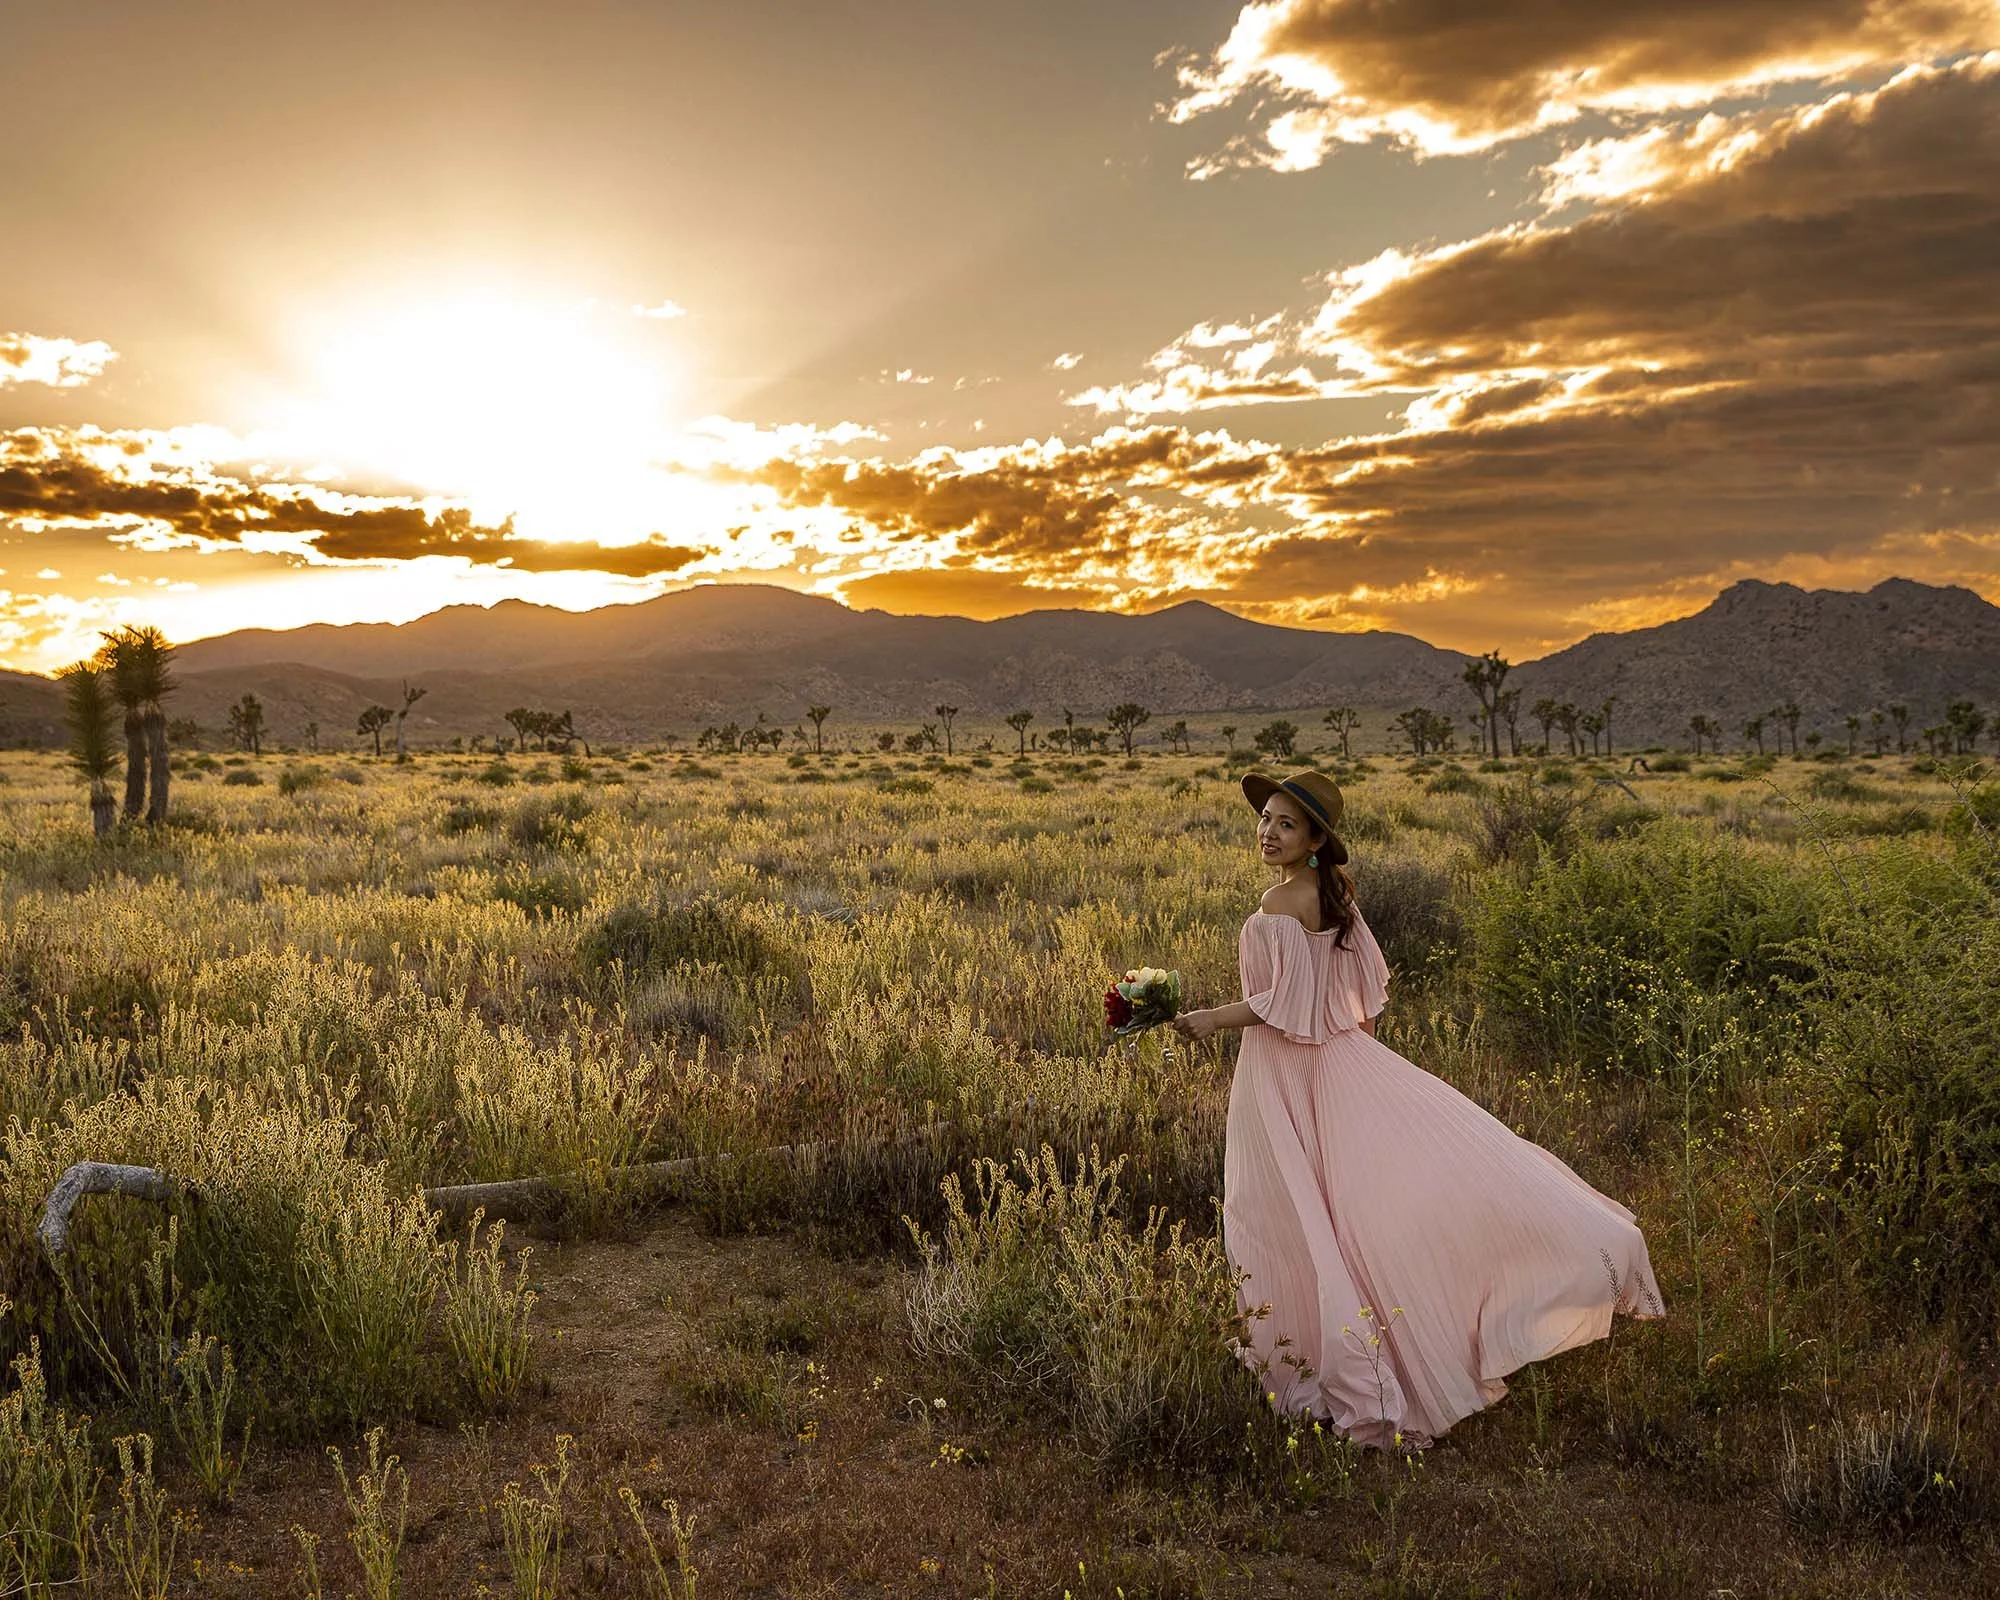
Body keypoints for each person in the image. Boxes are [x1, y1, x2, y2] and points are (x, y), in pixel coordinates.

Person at [1171, 768, 1662, 1446]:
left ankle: (1312, 1359)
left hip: (1285, 1071)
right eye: (1265, 820)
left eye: (1286, 823)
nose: (1268, 832)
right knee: (1352, 1204)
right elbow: (1361, 999)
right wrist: (1363, 1068)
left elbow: (1278, 1005)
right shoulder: (1334, 899)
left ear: (1316, 839)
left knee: (1285, 1209)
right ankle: (1338, 1344)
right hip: (1334, 1061)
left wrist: (1203, 1019)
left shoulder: (1280, 902)